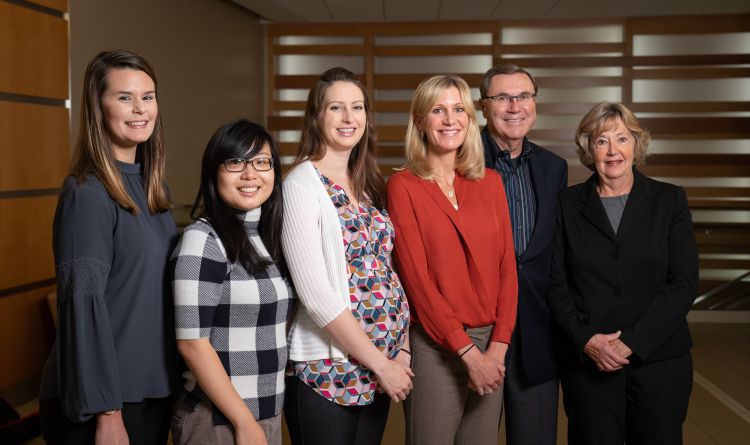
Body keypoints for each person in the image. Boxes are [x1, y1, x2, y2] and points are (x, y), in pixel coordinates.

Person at [39, 50, 177, 444]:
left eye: (147, 97)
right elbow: (82, 306)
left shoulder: (154, 189)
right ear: (97, 107)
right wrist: (107, 412)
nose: (140, 109)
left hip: (151, 391)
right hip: (102, 403)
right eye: (124, 97)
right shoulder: (87, 193)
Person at [548, 102, 698, 444]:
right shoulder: (566, 205)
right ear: (588, 148)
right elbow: (555, 283)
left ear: (637, 144)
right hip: (589, 363)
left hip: (659, 363)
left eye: (622, 138)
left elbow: (683, 282)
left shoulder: (669, 200)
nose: (613, 150)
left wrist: (631, 342)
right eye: (602, 141)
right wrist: (586, 339)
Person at [281, 67, 413, 445]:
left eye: (357, 107)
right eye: (336, 107)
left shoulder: (367, 186)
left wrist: (400, 349)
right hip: (328, 369)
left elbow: (387, 271)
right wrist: (381, 364)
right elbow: (318, 297)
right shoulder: (300, 186)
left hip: (380, 364)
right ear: (316, 117)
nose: (348, 117)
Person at [387, 74, 518, 445]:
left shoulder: (490, 182)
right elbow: (416, 281)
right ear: (420, 122)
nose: (450, 119)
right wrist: (468, 354)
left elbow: (508, 270)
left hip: (492, 344)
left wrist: (497, 348)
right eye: (438, 110)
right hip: (435, 345)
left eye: (459, 109)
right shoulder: (403, 186)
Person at [170, 120, 292, 445]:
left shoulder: (268, 238)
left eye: (262, 162)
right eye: (236, 162)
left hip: (265, 412)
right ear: (214, 172)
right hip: (220, 418)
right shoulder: (204, 238)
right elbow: (192, 343)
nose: (250, 174)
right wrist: (243, 421)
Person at [478, 64, 567, 444]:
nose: (515, 106)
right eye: (502, 97)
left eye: (524, 96)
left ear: (534, 103)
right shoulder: (457, 162)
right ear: (484, 106)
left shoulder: (554, 168)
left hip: (536, 332)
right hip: (476, 330)